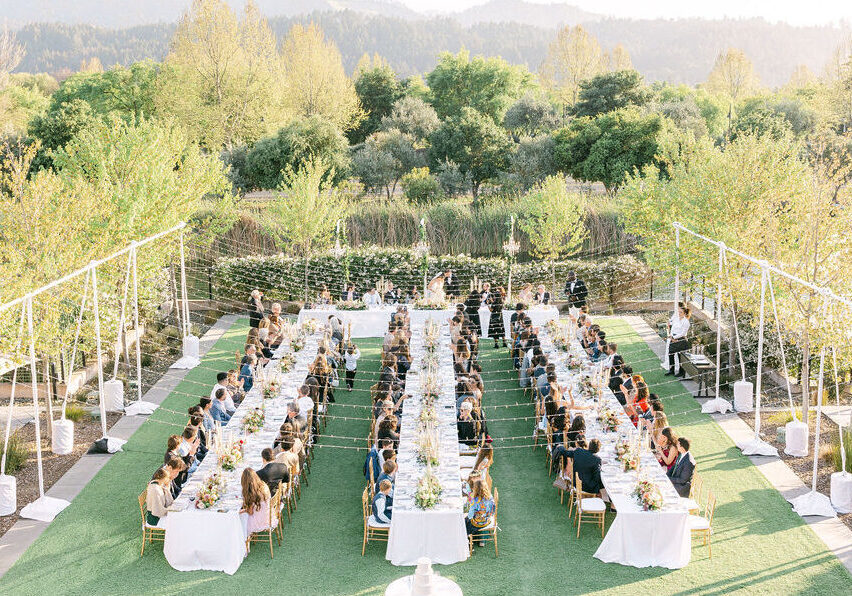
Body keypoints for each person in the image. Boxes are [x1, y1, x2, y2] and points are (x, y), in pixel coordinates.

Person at [241, 468, 274, 536]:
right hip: (269, 516)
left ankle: (243, 539)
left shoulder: (252, 494)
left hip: (259, 521)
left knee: (241, 517)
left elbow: (250, 512)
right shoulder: (264, 485)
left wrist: (243, 510)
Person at [465, 478, 495, 547]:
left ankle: (468, 538)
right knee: (480, 518)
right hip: (487, 520)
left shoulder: (475, 500)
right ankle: (482, 540)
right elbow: (492, 511)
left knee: (466, 521)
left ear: (475, 489)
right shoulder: (490, 497)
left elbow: (470, 516)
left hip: (477, 523)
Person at [666, 304, 692, 377]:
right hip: (673, 338)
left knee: (680, 357)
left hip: (681, 340)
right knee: (670, 354)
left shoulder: (686, 322)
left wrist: (674, 337)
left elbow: (683, 333)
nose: (679, 313)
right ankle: (672, 369)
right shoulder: (676, 319)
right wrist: (671, 335)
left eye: (681, 312)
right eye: (678, 312)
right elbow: (672, 325)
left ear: (685, 313)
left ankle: (682, 372)